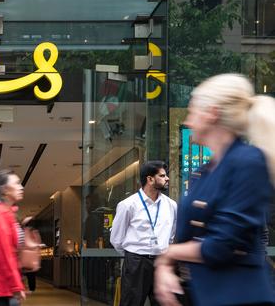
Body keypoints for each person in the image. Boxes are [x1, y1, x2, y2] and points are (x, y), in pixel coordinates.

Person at [154, 74, 275, 306]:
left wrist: (167, 255)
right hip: (209, 295)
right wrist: (166, 266)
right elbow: (186, 235)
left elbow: (221, 245)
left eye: (192, 112)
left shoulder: (248, 162)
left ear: (212, 113)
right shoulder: (202, 172)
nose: (188, 121)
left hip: (241, 297)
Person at [110, 160, 177, 306]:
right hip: (136, 262)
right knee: (131, 302)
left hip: (162, 261)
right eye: (162, 175)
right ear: (150, 179)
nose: (167, 179)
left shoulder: (171, 205)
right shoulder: (128, 205)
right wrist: (132, 254)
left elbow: (171, 235)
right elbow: (116, 238)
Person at [0, 170, 26, 306]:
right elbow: (4, 252)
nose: (21, 187)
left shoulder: (7, 212)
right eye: (17, 183)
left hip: (4, 284)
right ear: (4, 190)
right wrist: (16, 285)